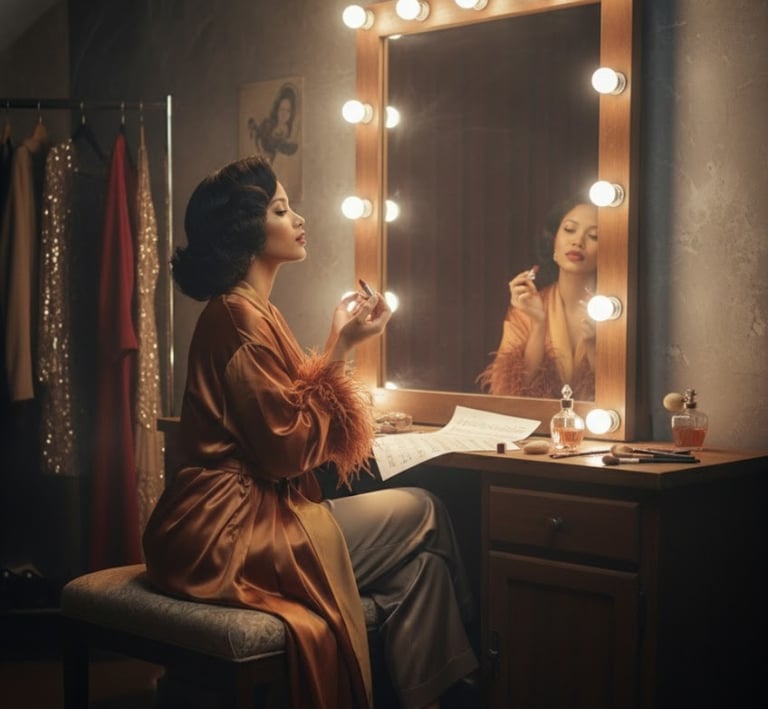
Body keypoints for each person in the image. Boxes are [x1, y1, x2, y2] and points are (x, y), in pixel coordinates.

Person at [142, 156, 478, 709]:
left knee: (423, 572)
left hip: (242, 514)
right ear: (249, 231)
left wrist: (338, 342)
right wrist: (342, 350)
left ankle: (437, 697)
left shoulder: (253, 310)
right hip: (228, 529)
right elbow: (287, 451)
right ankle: (487, 672)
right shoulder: (239, 318)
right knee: (427, 510)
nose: (298, 218)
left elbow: (290, 409)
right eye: (281, 208)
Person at [477, 199, 598, 400]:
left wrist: (594, 346)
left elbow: (617, 395)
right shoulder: (526, 311)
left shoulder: (615, 310)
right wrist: (538, 326)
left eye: (594, 236)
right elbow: (507, 395)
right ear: (553, 243)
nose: (578, 241)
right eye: (569, 230)